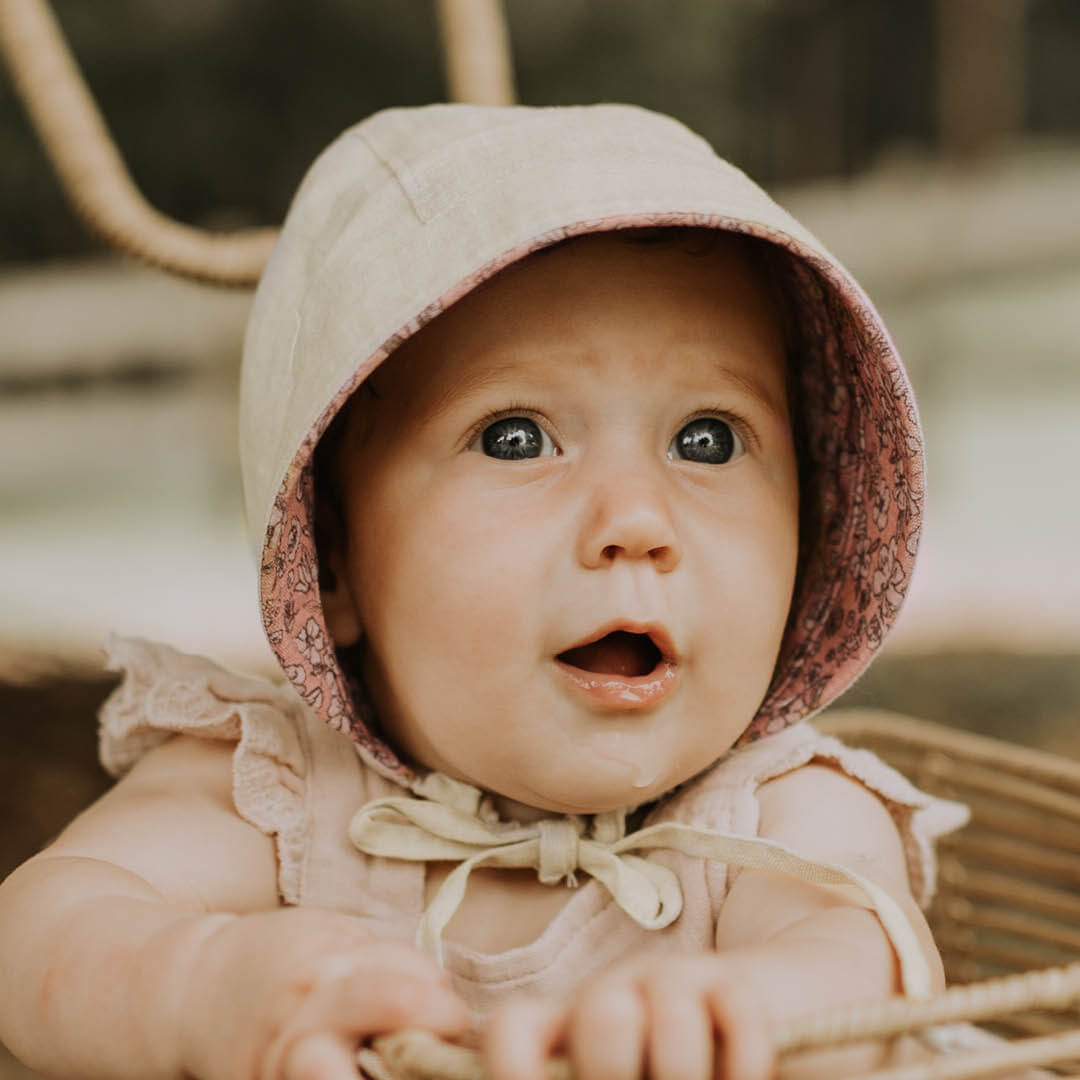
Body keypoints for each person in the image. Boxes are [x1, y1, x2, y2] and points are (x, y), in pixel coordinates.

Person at [0, 104, 968, 1080]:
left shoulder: (777, 815)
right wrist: (199, 987)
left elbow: (861, 969)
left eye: (705, 440)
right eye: (516, 438)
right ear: (329, 560)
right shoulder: (282, 793)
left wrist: (738, 1011)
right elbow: (43, 930)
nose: (637, 520)